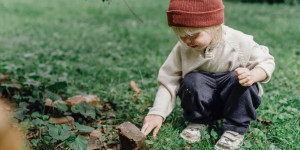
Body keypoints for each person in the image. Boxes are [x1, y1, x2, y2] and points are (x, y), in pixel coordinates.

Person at [140, 0, 275, 149]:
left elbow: (266, 61)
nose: (187, 41)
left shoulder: (238, 42)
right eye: (181, 36)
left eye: (193, 35)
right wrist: (157, 112)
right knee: (193, 80)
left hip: (232, 100)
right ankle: (199, 121)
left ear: (215, 26)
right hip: (202, 99)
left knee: (241, 81)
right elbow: (169, 80)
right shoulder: (183, 48)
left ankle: (234, 129)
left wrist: (254, 74)